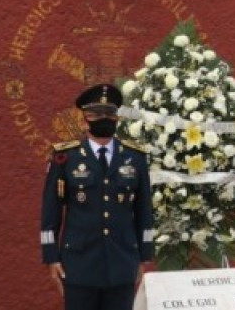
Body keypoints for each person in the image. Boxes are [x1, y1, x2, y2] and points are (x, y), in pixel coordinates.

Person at [41, 83, 154, 310]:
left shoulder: (135, 157)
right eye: (96, 114)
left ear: (117, 119)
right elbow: (50, 211)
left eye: (109, 114)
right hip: (79, 262)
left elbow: (144, 210)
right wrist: (51, 257)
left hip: (122, 261)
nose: (104, 119)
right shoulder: (65, 157)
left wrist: (144, 256)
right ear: (84, 119)